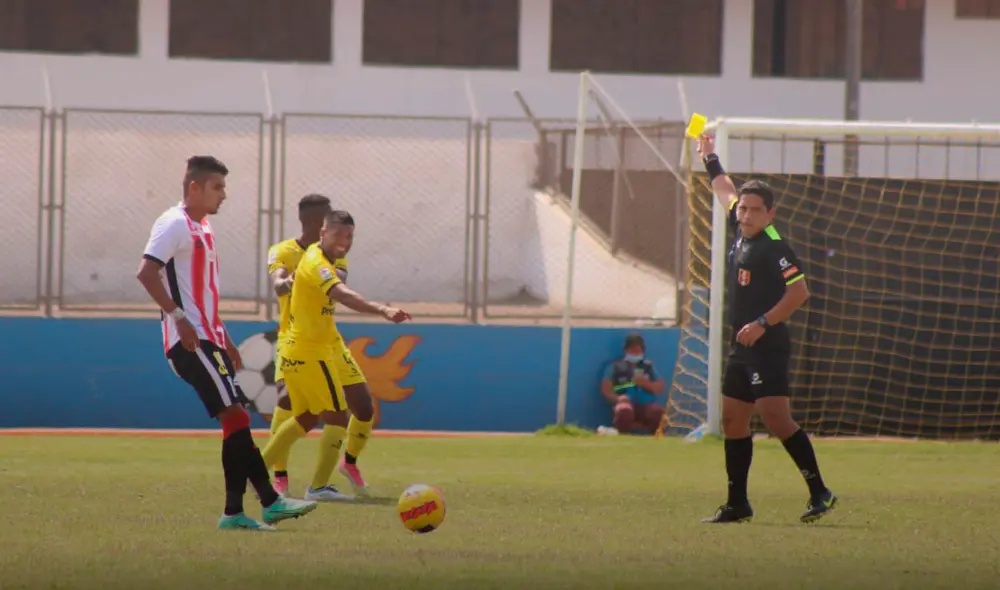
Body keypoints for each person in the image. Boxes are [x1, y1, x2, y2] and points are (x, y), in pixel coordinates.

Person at [136, 155, 318, 531]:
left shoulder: (203, 228)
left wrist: (227, 340)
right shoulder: (174, 223)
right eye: (217, 187)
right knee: (234, 416)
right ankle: (264, 503)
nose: (224, 195)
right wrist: (179, 319)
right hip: (189, 341)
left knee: (233, 421)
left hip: (209, 337)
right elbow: (146, 272)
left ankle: (241, 511)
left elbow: (202, 294)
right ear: (194, 188)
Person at [696, 135, 838, 524]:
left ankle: (820, 491)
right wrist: (710, 158)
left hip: (767, 344)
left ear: (770, 214)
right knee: (732, 420)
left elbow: (800, 292)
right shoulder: (739, 226)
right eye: (743, 208)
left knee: (776, 420)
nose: (745, 215)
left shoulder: (775, 247)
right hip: (740, 346)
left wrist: (762, 323)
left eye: (755, 210)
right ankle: (737, 503)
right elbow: (724, 188)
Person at [261, 209, 411, 499]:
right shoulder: (316, 262)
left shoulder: (330, 258)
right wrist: (383, 309)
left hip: (328, 344)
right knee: (334, 417)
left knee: (322, 414)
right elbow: (342, 294)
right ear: (322, 233)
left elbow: (338, 283)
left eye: (349, 235)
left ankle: (255, 471)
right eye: (338, 234)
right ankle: (313, 486)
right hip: (308, 349)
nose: (344, 241)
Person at [265, 194, 351, 501]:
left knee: (311, 413)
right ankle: (280, 477)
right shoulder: (282, 251)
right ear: (313, 222)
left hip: (325, 342)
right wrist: (287, 282)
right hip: (295, 340)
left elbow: (338, 277)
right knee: (289, 405)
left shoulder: (331, 253)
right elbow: (276, 282)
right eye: (326, 220)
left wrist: (308, 276)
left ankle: (279, 476)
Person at [601, 333, 666, 433]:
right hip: (625, 403)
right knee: (624, 411)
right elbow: (606, 390)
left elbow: (660, 387)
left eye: (638, 350)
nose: (636, 352)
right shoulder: (614, 367)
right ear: (626, 350)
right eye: (632, 349)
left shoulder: (648, 366)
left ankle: (656, 439)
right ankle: (623, 437)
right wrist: (618, 399)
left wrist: (646, 384)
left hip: (646, 404)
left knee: (657, 412)